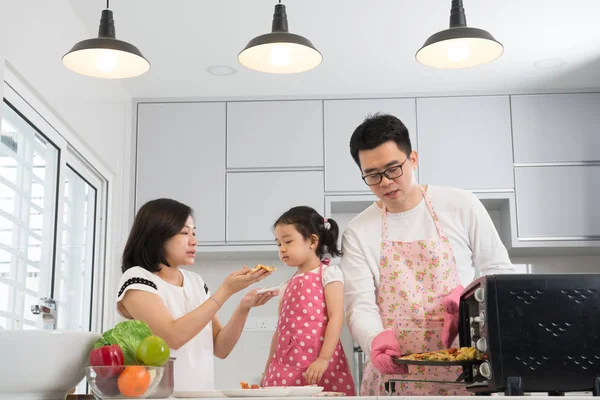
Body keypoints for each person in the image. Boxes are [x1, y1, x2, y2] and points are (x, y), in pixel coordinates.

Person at [340, 114, 514, 396]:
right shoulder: (358, 231)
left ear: (414, 159)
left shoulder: (461, 205)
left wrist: (470, 303)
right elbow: (359, 305)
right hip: (394, 376)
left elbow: (500, 274)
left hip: (464, 369)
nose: (385, 182)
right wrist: (375, 338)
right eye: (372, 175)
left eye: (393, 168)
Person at [116, 198, 277, 392]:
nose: (194, 240)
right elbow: (172, 337)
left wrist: (244, 306)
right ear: (157, 235)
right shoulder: (137, 278)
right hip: (157, 396)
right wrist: (225, 291)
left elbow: (221, 348)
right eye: (184, 232)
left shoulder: (196, 282)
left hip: (201, 394)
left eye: (194, 232)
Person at [261, 206, 356, 396]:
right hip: (284, 368)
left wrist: (323, 359)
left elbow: (336, 317)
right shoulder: (286, 284)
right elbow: (279, 331)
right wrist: (268, 367)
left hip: (318, 365)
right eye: (278, 244)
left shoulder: (329, 274)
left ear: (313, 241)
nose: (282, 249)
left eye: (288, 241)